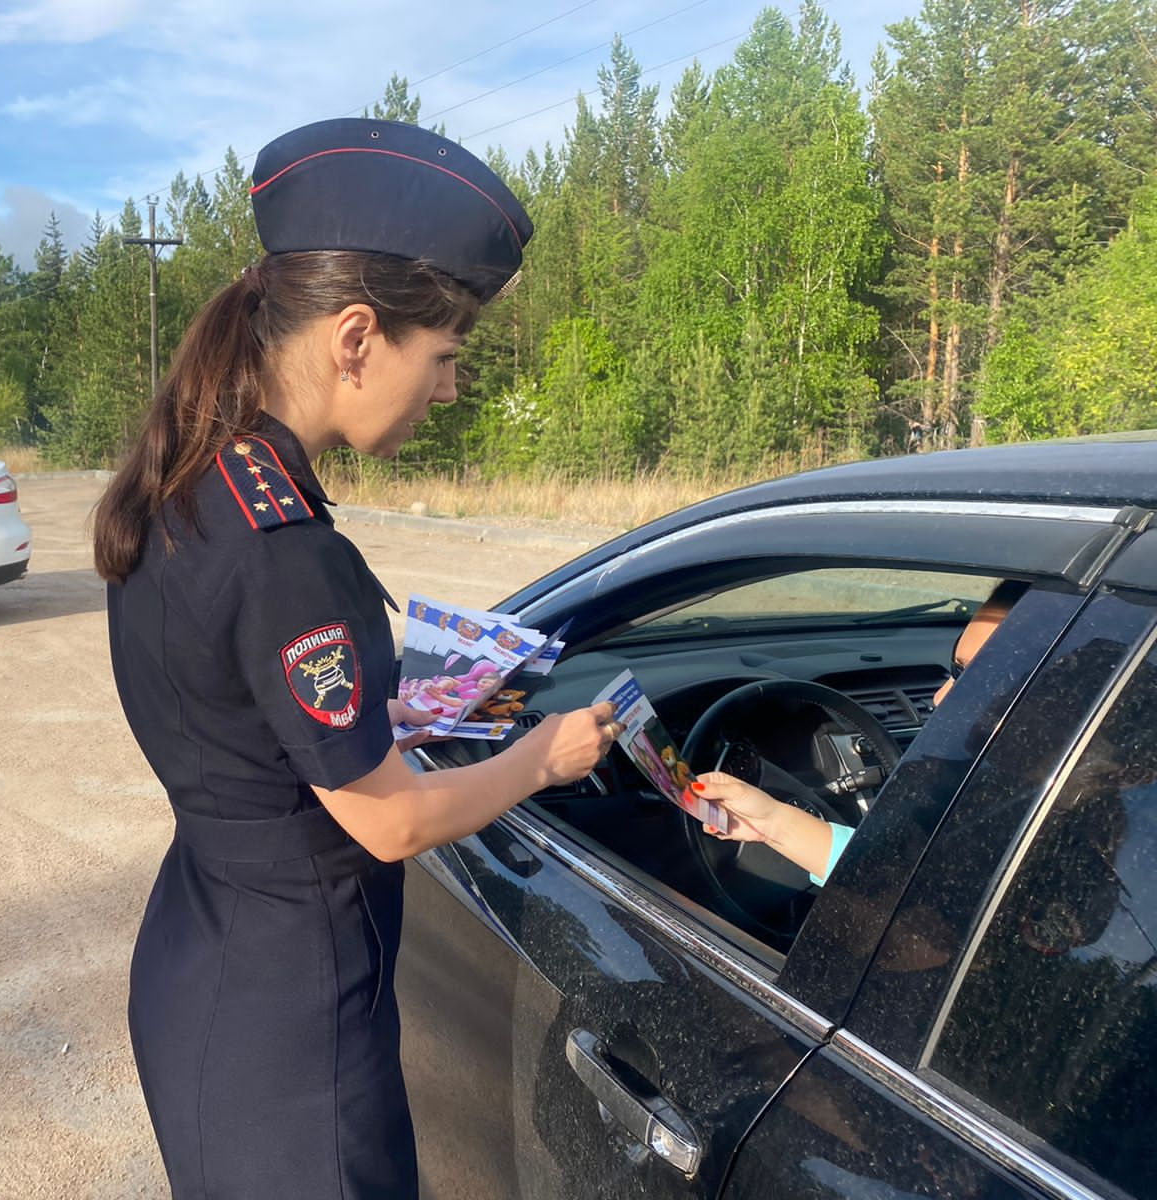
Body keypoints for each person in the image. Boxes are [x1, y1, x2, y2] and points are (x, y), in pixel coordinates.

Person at [92, 118, 619, 1200]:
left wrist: (398, 713)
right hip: (293, 1032)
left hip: (205, 954)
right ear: (355, 338)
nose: (449, 388)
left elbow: (239, 718)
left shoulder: (194, 481)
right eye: (444, 357)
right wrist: (544, 759)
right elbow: (386, 820)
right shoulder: (289, 552)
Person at [694, 580, 1026, 883]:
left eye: (980, 681)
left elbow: (927, 908)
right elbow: (902, 880)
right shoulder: (1020, 797)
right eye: (956, 670)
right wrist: (770, 821)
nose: (939, 698)